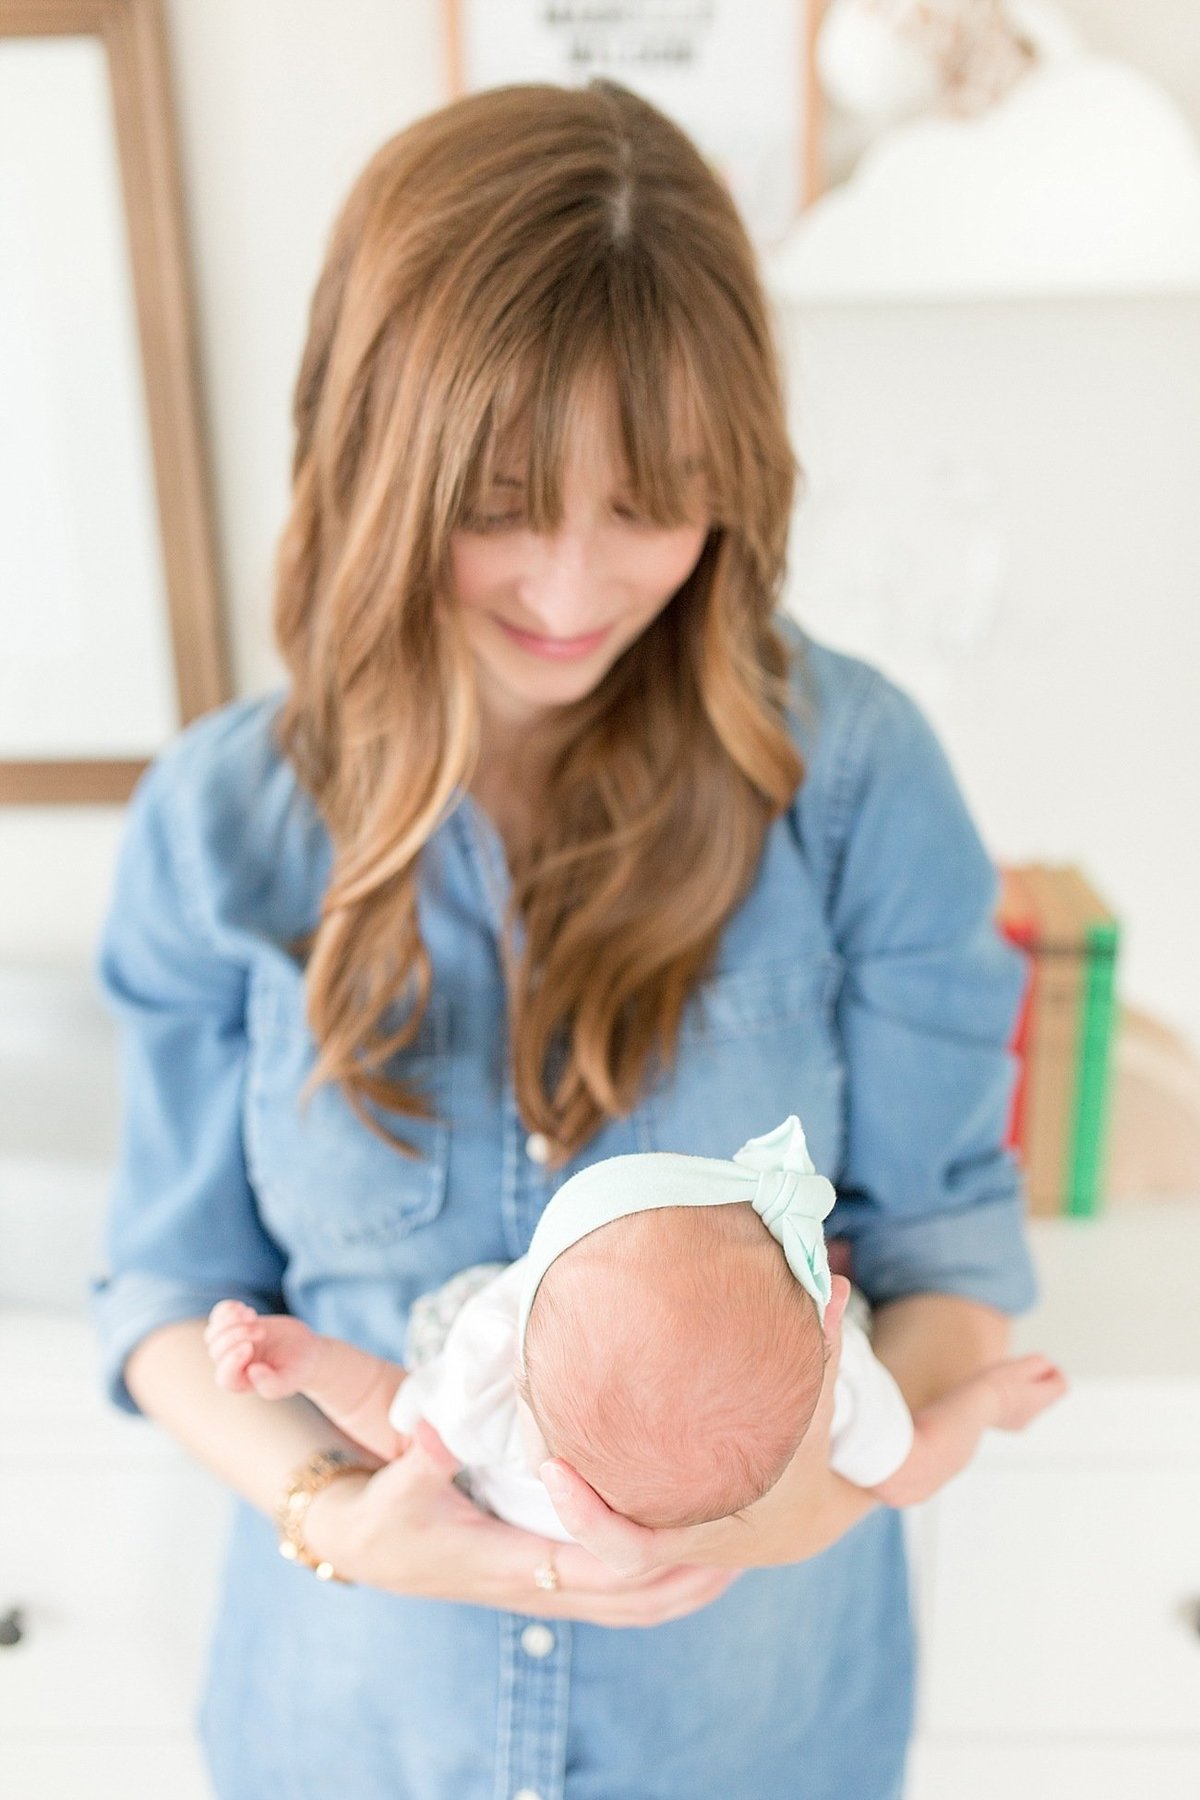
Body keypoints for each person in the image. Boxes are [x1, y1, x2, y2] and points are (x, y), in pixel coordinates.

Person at [93, 77, 1039, 1800]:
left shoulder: (856, 783)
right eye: (505, 501)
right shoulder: (221, 823)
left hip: (759, 1739)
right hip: (348, 1735)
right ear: (375, 458)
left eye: (655, 500)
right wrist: (337, 1516)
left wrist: (821, 1486)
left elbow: (954, 1263)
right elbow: (168, 1296)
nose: (575, 584)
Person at [204, 1116, 1066, 1547]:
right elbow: (914, 1471)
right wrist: (985, 1398)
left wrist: (313, 1365)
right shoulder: (835, 1390)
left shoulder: (495, 1384)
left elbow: (396, 1419)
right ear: (823, 1323)